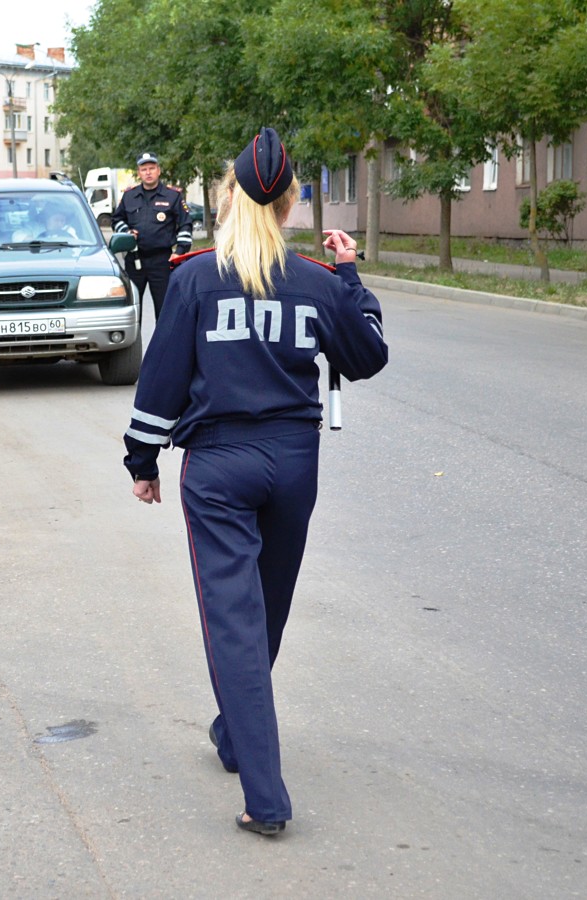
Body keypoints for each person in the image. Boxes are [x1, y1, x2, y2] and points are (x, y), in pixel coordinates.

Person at [121, 127, 388, 836]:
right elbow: (367, 355)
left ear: (230, 197)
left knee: (235, 623)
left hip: (218, 467)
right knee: (264, 613)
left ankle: (265, 799)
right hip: (293, 465)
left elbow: (161, 380)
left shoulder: (193, 278)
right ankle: (235, 735)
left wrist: (142, 461)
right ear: (290, 203)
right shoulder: (317, 282)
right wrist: (351, 276)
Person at [111, 152, 193, 322]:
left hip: (162, 261)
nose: (148, 172)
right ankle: (134, 341)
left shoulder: (173, 196)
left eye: (152, 168)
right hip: (134, 260)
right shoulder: (129, 196)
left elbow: (185, 225)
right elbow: (116, 219)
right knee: (132, 311)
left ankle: (163, 341)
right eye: (144, 169)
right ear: (139, 173)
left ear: (158, 170)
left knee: (165, 312)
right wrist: (127, 231)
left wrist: (179, 252)